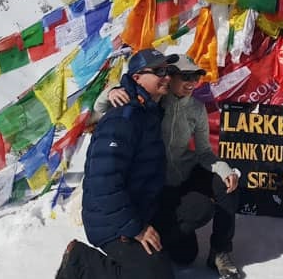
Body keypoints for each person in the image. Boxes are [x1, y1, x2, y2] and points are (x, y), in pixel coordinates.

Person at [101, 55, 243, 279]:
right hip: (159, 185)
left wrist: (223, 168)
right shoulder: (157, 101)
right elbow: (102, 107)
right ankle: (156, 243)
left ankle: (220, 250)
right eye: (185, 76)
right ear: (170, 77)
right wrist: (110, 92)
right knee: (186, 255)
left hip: (186, 172)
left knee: (227, 185)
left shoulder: (197, 108)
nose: (192, 83)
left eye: (196, 77)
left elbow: (204, 151)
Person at [55, 48, 179, 279]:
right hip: (112, 220)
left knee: (187, 243)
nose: (168, 77)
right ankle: (81, 261)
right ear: (136, 78)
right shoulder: (124, 120)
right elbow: (105, 183)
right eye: (159, 71)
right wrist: (137, 229)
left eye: (169, 70)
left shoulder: (149, 111)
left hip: (140, 206)